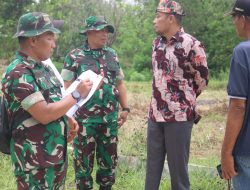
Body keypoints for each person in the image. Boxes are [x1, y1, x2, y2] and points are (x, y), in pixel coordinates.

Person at [1, 12, 93, 189]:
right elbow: (43, 113)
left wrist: (66, 119)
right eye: (50, 38)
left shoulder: (44, 69)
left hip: (54, 156)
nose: (54, 44)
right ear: (33, 40)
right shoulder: (18, 72)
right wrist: (76, 95)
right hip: (34, 162)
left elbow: (52, 103)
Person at [145, 1, 209, 190]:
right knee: (152, 169)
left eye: (158, 16)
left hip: (179, 117)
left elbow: (202, 79)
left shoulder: (192, 44)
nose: (154, 20)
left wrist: (181, 100)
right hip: (155, 115)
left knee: (178, 172)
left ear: (171, 18)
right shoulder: (156, 43)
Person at [61, 16, 129, 190]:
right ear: (89, 32)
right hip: (83, 122)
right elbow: (66, 88)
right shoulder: (75, 56)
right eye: (101, 30)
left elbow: (119, 83)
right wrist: (67, 117)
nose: (105, 34)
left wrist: (125, 108)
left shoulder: (112, 54)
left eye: (107, 31)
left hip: (109, 121)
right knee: (83, 167)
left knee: (109, 166)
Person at [221, 0, 250, 189]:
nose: (233, 22)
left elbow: (238, 106)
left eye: (234, 17)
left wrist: (225, 153)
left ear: (244, 19)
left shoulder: (243, 52)